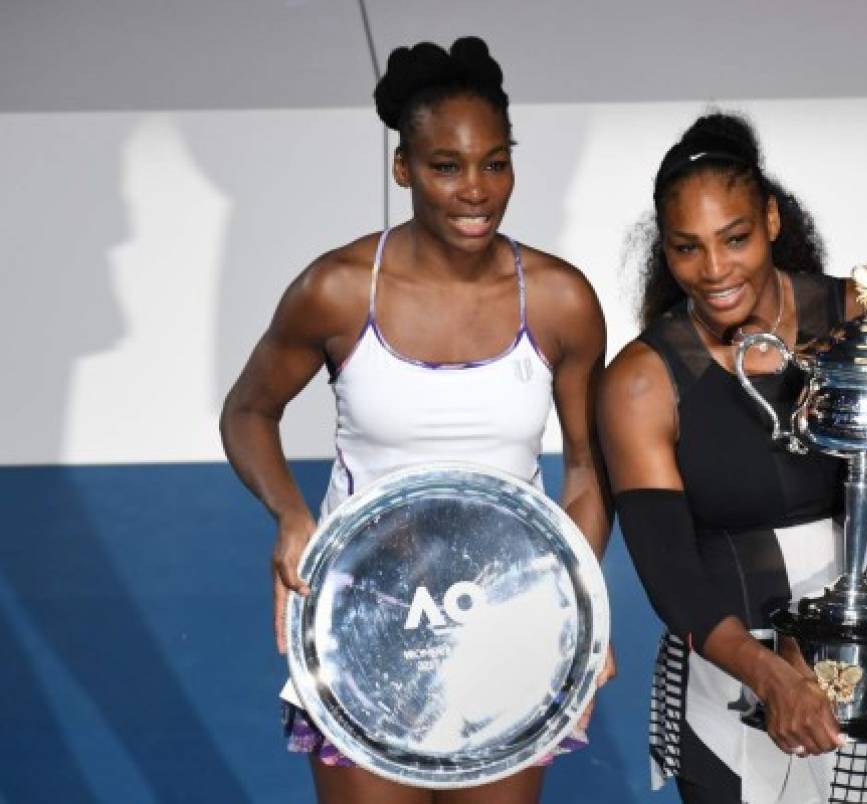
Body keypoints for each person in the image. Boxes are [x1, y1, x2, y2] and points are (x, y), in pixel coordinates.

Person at [220, 36, 613, 804]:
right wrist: (291, 516)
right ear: (403, 169)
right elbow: (248, 411)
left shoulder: (562, 300)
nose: (477, 190)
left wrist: (577, 605)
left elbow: (590, 475)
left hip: (509, 627)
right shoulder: (336, 290)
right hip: (364, 618)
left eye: (495, 162)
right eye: (446, 165)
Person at [598, 112, 867, 804]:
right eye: (687, 249)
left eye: (733, 239)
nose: (713, 272)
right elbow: (668, 568)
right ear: (665, 252)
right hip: (725, 670)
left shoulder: (863, 318)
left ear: (770, 219)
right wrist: (768, 675)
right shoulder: (641, 381)